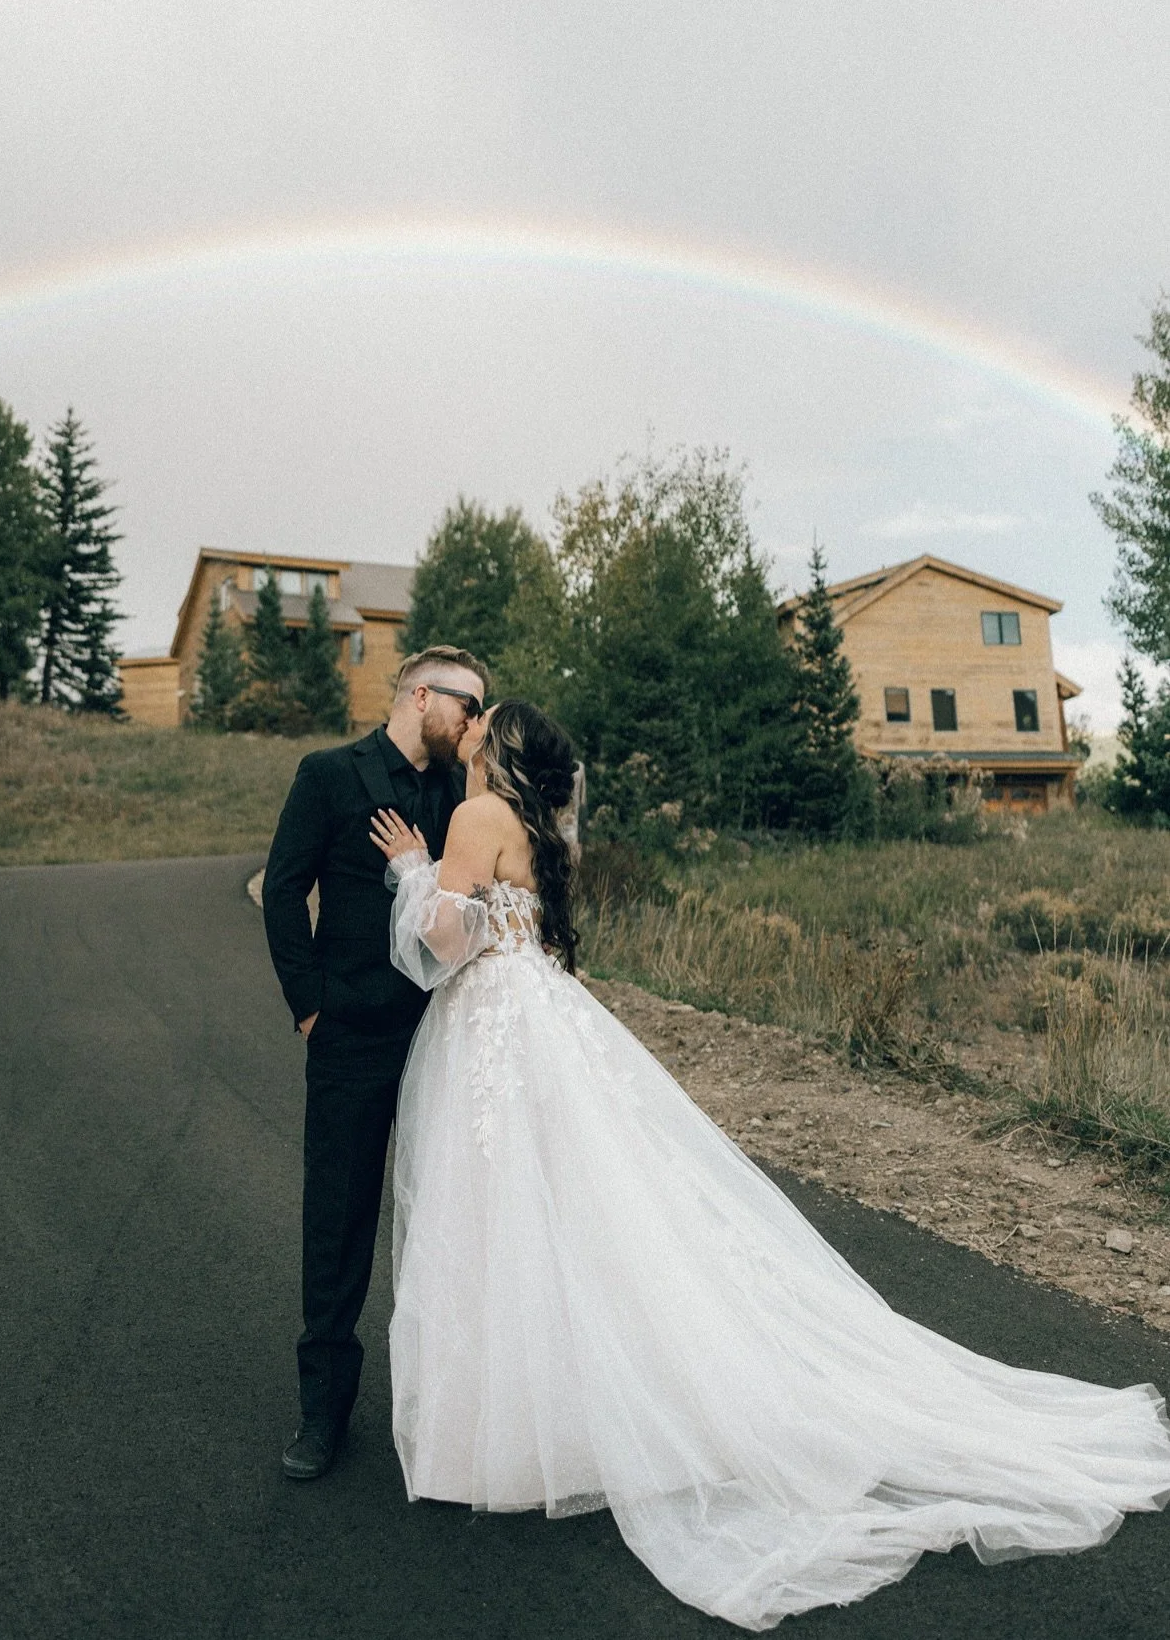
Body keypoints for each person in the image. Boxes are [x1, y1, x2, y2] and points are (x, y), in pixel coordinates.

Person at [369, 698, 1170, 1633]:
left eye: (482, 720)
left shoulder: (474, 817)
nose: (466, 725)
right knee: (580, 1219)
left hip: (497, 1033)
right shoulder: (541, 828)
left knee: (505, 1218)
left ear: (497, 746)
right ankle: (569, 1417)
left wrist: (409, 871)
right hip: (539, 1018)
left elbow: (444, 942)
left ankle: (511, 1437)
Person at [262, 646, 489, 1481]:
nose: (473, 723)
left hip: (446, 1034)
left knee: (447, 1219)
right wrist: (309, 1003)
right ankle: (322, 1411)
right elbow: (284, 888)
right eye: (467, 705)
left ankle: (447, 1412)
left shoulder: (464, 791)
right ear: (420, 694)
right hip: (350, 1031)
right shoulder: (327, 774)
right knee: (341, 1214)